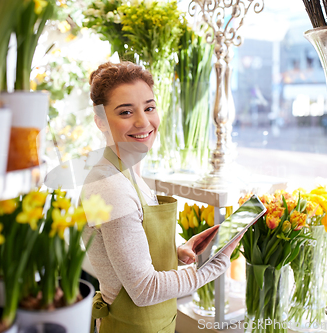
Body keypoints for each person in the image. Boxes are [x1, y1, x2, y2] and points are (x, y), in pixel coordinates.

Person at [82, 61, 241, 333]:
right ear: (100, 121)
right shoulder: (111, 186)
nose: (143, 122)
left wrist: (178, 251)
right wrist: (211, 269)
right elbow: (144, 289)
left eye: (149, 107)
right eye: (125, 112)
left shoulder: (127, 171)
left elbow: (134, 248)